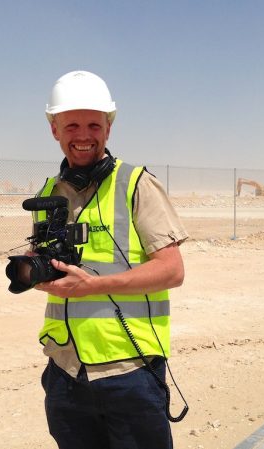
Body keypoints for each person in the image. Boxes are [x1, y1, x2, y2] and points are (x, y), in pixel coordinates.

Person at [33, 70, 188, 449]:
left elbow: (172, 270)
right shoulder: (47, 194)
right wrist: (35, 270)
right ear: (55, 130)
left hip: (129, 371)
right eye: (71, 125)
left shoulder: (136, 184)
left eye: (93, 124)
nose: (83, 135)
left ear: (109, 128)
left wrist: (95, 286)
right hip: (65, 369)